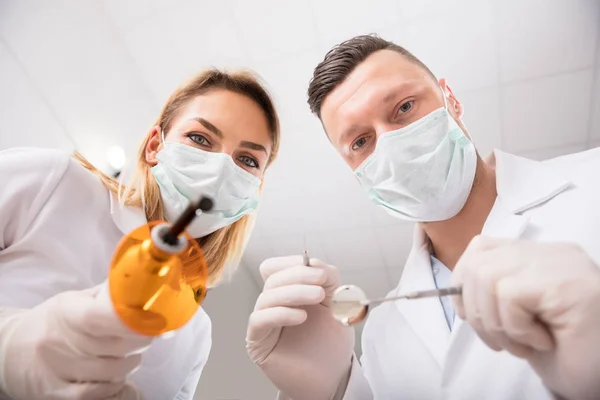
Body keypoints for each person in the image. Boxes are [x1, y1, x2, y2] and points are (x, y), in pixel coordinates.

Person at [246, 35, 600, 399]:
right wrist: (327, 389)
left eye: (403, 108)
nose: (390, 144)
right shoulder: (383, 332)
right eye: (360, 142)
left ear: (452, 100)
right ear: (355, 170)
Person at [0, 69, 280, 400]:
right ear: (154, 146)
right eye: (200, 138)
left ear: (255, 192)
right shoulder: (55, 182)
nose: (220, 170)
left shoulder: (196, 332)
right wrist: (10, 348)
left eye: (247, 159)